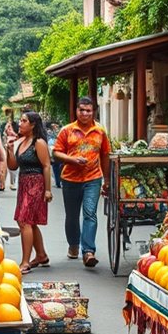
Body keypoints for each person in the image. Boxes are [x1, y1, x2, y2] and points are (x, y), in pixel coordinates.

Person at [53, 97, 110, 268]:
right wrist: (72, 159)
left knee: (90, 213)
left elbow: (105, 155)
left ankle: (88, 251)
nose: (85, 113)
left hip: (93, 178)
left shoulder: (100, 131)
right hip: (70, 178)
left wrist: (106, 179)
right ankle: (73, 245)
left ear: (94, 112)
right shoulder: (67, 130)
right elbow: (56, 153)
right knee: (72, 216)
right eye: (82, 110)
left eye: (88, 110)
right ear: (76, 111)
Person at [5, 111, 52, 274]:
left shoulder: (39, 142)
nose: (20, 123)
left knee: (24, 221)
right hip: (23, 182)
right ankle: (41, 255)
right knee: (28, 222)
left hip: (36, 183)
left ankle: (25, 261)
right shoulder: (21, 141)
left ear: (32, 124)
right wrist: (10, 150)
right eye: (20, 120)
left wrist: (47, 189)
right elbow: (13, 167)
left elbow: (46, 165)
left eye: (24, 120)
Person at [47, 123, 63, 189]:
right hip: (56, 152)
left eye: (55, 126)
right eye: (54, 126)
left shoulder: (50, 133)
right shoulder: (60, 131)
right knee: (57, 167)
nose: (55, 127)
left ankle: (59, 182)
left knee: (58, 167)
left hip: (58, 152)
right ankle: (59, 182)